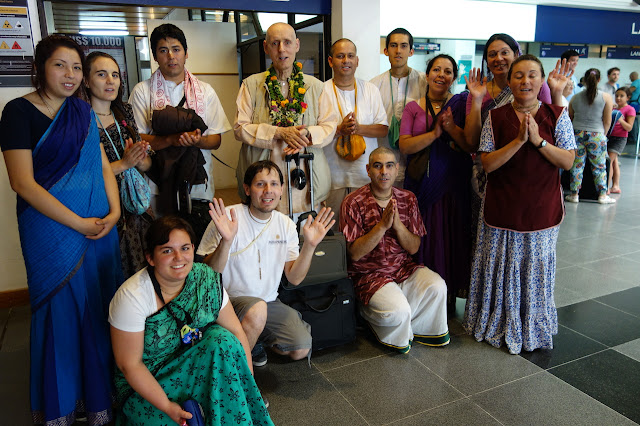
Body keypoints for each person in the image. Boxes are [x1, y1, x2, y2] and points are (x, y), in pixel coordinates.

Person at [0, 35, 123, 424]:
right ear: (39, 68)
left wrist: (115, 212)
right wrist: (78, 223)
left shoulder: (82, 112)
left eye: (75, 67)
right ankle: (62, 405)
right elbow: (22, 183)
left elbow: (103, 166)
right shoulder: (17, 112)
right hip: (51, 231)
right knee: (61, 312)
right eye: (60, 65)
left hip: (100, 230)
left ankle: (99, 398)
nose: (69, 75)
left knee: (99, 307)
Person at [109, 216, 273, 425]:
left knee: (222, 339)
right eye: (167, 251)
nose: (179, 258)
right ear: (150, 257)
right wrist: (168, 407)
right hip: (152, 379)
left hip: (195, 363)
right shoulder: (132, 297)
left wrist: (245, 384)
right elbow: (130, 365)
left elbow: (237, 333)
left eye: (185, 248)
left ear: (193, 249)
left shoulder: (205, 279)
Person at [463, 55, 576, 354]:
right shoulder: (496, 116)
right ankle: (496, 322)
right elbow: (487, 163)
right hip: (502, 206)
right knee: (500, 267)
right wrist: (516, 142)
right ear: (509, 81)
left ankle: (532, 325)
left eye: (532, 76)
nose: (525, 81)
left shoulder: (557, 115)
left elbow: (567, 160)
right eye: (519, 76)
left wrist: (538, 141)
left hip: (542, 208)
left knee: (534, 268)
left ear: (541, 81)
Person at [197, 160, 335, 365]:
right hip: (227, 302)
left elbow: (294, 278)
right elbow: (207, 274)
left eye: (274, 184)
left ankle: (252, 339)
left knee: (300, 347)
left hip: (268, 303)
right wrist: (226, 241)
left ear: (281, 190)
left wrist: (310, 246)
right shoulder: (228, 216)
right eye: (260, 184)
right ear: (247, 189)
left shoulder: (286, 225)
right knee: (256, 310)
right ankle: (238, 377)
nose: (268, 191)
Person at [464, 34, 570, 251]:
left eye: (504, 52)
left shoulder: (547, 101)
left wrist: (537, 140)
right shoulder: (489, 106)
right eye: (492, 54)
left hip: (540, 194)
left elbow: (555, 129)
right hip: (494, 189)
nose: (499, 58)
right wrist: (476, 100)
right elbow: (475, 145)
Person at [130, 23, 231, 245]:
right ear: (155, 56)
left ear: (186, 53)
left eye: (176, 49)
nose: (171, 56)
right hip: (158, 182)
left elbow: (216, 140)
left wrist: (198, 141)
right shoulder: (142, 91)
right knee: (164, 241)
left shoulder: (205, 91)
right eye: (163, 50)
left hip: (197, 183)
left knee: (199, 240)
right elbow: (137, 138)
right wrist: (169, 140)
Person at [341, 147, 449, 353]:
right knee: (398, 310)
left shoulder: (408, 198)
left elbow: (414, 247)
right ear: (368, 170)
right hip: (369, 276)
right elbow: (354, 254)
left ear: (397, 169)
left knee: (438, 287)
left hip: (402, 269)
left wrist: (397, 225)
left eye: (389, 165)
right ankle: (369, 314)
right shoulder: (353, 202)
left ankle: (412, 325)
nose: (384, 171)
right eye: (377, 166)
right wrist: (381, 226)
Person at [399, 54, 479, 311]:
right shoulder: (413, 107)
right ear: (427, 74)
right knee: (428, 235)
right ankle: (424, 294)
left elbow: (469, 144)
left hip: (454, 181)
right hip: (423, 183)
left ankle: (451, 292)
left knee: (453, 234)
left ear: (454, 78)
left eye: (447, 71)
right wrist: (434, 134)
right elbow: (405, 144)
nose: (441, 75)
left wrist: (452, 129)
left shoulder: (461, 104)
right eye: (436, 69)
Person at [234, 22, 337, 216]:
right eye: (275, 43)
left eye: (287, 42)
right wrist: (278, 132)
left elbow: (330, 126)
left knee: (304, 233)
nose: (282, 49)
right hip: (265, 180)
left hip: (305, 177)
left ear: (297, 45)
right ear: (266, 48)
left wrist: (307, 133)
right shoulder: (251, 85)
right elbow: (240, 128)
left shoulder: (315, 86)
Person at [85, 51, 153, 279]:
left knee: (139, 274)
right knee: (110, 276)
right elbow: (82, 175)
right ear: (86, 80)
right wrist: (124, 163)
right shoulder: (80, 120)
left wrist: (140, 159)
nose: (110, 80)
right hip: (103, 209)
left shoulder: (125, 112)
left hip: (134, 210)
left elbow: (145, 165)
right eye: (101, 74)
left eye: (115, 75)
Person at [323, 39, 388, 226]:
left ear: (357, 61)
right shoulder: (322, 91)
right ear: (330, 61)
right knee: (333, 230)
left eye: (350, 56)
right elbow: (315, 133)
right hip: (332, 177)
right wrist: (338, 130)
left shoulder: (370, 90)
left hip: (365, 175)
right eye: (340, 56)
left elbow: (383, 129)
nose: (346, 60)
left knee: (365, 227)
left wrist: (358, 129)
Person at [370, 28, 427, 186]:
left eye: (403, 46)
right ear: (386, 51)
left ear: (411, 51)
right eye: (394, 46)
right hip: (384, 164)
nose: (398, 51)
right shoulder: (374, 85)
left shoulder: (424, 82)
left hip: (417, 162)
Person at [565, 68, 615, 204]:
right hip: (597, 134)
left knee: (576, 165)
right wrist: (602, 135)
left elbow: (570, 117)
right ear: (599, 80)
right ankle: (602, 195)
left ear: (585, 80)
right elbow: (607, 120)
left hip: (577, 134)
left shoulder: (575, 97)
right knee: (599, 166)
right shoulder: (606, 97)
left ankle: (574, 194)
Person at [608, 87, 636, 194]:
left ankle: (606, 187)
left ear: (628, 97)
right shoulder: (615, 109)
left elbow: (629, 127)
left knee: (609, 161)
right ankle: (615, 186)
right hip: (610, 137)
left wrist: (620, 119)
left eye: (621, 96)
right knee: (614, 162)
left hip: (620, 138)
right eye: (616, 96)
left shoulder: (630, 109)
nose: (618, 98)